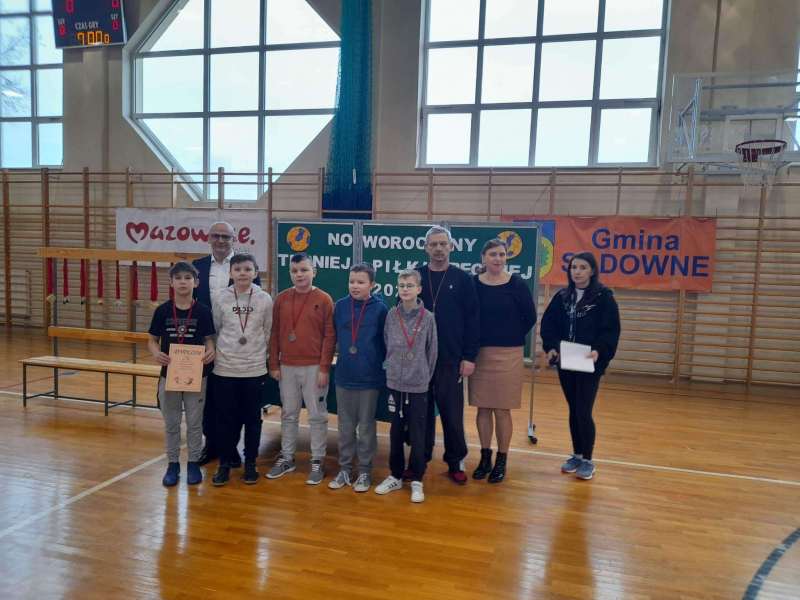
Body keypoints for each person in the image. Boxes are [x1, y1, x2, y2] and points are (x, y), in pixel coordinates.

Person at [540, 251, 621, 481]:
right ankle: (576, 454)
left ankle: (588, 459)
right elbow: (549, 325)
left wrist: (599, 350)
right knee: (574, 409)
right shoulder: (563, 296)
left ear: (592, 271)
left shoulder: (604, 297)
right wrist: (551, 347)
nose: (577, 272)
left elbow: (611, 329)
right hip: (566, 361)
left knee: (584, 410)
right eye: (574, 267)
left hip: (589, 361)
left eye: (583, 267)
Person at [193, 221, 261, 466]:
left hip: (236, 345)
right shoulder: (198, 266)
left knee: (233, 401)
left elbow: (255, 310)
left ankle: (231, 449)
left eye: (226, 237)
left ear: (234, 239)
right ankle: (211, 445)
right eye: (216, 236)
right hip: (205, 342)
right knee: (207, 399)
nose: (221, 240)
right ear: (208, 238)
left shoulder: (245, 266)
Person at [470, 238, 536, 484]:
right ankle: (485, 457)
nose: (497, 258)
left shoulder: (517, 284)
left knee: (502, 409)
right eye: (493, 254)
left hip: (509, 354)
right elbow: (468, 315)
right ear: (483, 258)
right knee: (483, 408)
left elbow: (530, 317)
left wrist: (510, 333)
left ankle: (501, 459)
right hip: (480, 354)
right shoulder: (474, 284)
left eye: (501, 254)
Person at [417, 225, 479, 484]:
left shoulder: (463, 279)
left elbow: (473, 320)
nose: (439, 249)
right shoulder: (416, 276)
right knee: (421, 414)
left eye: (443, 244)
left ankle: (456, 461)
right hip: (420, 359)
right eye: (434, 244)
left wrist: (469, 357)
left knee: (452, 414)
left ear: (452, 247)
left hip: (451, 359)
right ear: (426, 248)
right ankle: (419, 459)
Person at [267, 253, 335, 485]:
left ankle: (317, 459)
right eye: (295, 271)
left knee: (317, 415)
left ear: (314, 271)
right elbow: (275, 332)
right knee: (288, 413)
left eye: (304, 270)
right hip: (287, 366)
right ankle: (287, 457)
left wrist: (324, 368)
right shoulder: (282, 299)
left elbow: (329, 336)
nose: (299, 274)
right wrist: (274, 363)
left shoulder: (324, 299)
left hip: (314, 367)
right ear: (290, 273)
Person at [147, 262, 216, 487]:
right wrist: (156, 353)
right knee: (172, 423)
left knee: (195, 423)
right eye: (178, 278)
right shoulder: (162, 311)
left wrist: (211, 351)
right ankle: (173, 464)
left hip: (197, 376)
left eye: (188, 278)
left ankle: (193, 462)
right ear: (171, 282)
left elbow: (209, 340)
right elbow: (152, 340)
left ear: (196, 283)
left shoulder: (203, 311)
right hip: (169, 375)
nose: (183, 282)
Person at [210, 253, 273, 487]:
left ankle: (250, 463)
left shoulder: (264, 299)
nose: (243, 273)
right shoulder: (221, 298)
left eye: (248, 269)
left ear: (255, 272)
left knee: (252, 420)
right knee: (226, 420)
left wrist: (260, 356)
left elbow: (268, 331)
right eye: (238, 269)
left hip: (254, 369)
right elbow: (217, 329)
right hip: (225, 369)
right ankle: (225, 463)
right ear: (231, 273)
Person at [375, 269, 438, 503]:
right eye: (401, 285)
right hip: (395, 383)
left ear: (419, 289)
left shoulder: (428, 317)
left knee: (418, 434)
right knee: (395, 432)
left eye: (410, 285)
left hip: (418, 385)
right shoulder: (392, 315)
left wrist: (422, 376)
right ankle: (395, 475)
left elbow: (432, 351)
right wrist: (393, 369)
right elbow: (386, 343)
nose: (405, 289)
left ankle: (417, 479)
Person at [329, 263, 388, 493]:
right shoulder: (340, 306)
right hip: (344, 375)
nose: (355, 286)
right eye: (352, 281)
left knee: (366, 427)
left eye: (361, 282)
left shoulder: (380, 309)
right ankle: (344, 468)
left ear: (372, 284)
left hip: (370, 377)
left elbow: (385, 343)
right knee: (345, 426)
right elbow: (334, 337)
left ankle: (364, 470)